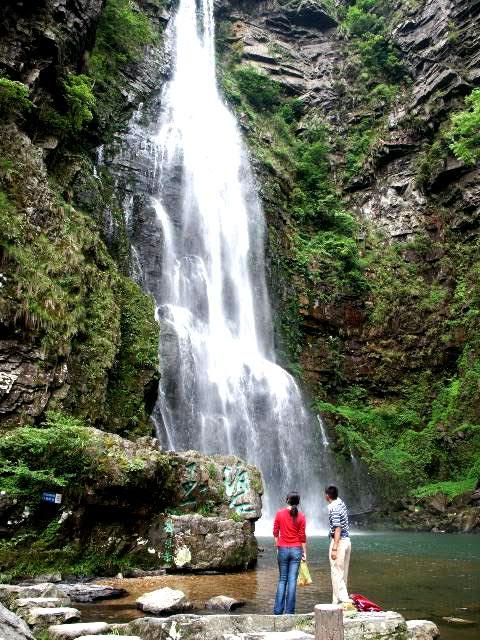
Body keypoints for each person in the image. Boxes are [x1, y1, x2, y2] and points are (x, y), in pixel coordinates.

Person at [273, 491, 307, 615]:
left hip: (282, 549)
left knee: (282, 579)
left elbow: (275, 532)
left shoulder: (279, 514)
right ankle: (289, 612)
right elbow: (302, 537)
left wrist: (278, 546)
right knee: (292, 580)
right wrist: (304, 553)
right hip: (296, 550)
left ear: (287, 500)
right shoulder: (302, 516)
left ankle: (277, 611)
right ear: (298, 502)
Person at [325, 485, 352, 605]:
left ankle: (344, 600)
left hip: (339, 542)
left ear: (327, 496)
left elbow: (337, 528)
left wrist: (335, 548)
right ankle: (336, 601)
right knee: (342, 572)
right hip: (347, 541)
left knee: (336, 572)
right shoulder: (341, 503)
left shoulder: (334, 508)